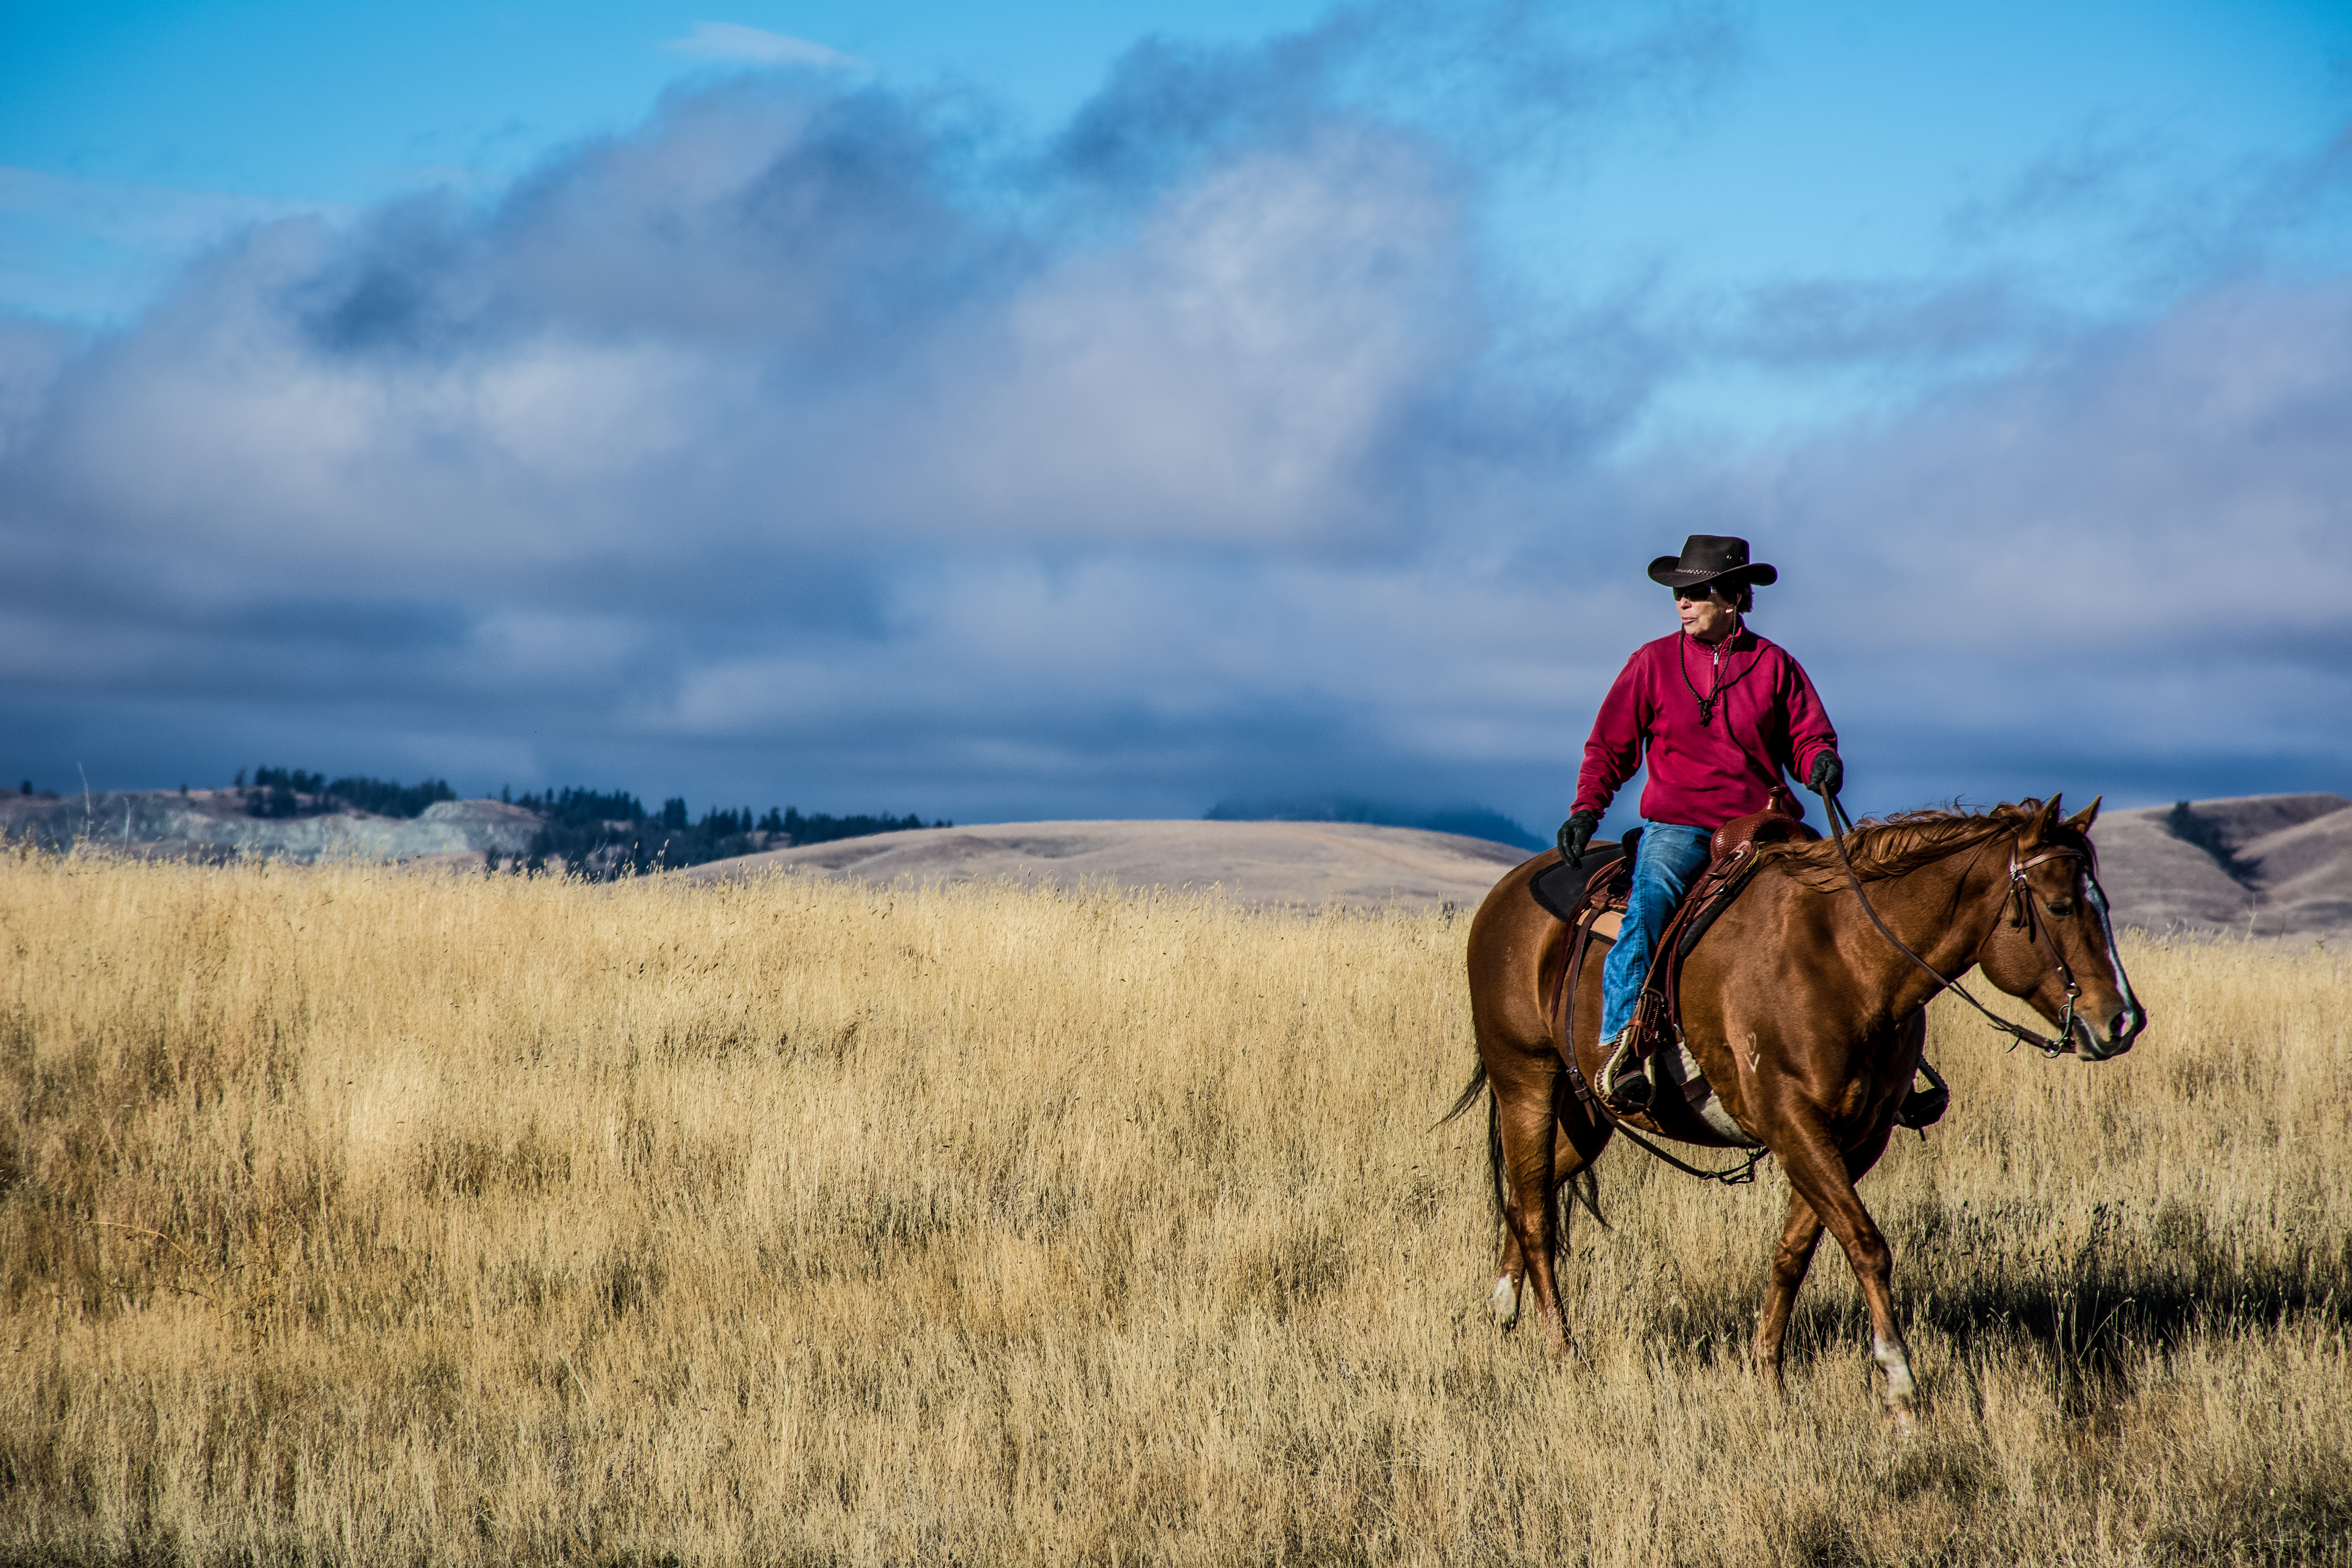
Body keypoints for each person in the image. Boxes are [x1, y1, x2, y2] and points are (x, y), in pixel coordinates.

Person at [1560, 535, 1841, 1109]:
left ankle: (1886, 1056)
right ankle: (1621, 1045)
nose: (1683, 602)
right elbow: (1611, 745)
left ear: (1735, 596)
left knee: (1839, 907)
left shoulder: (1775, 666)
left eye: (1696, 591)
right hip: (1680, 825)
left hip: (1765, 827)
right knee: (1651, 905)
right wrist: (1587, 808)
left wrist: (1821, 762)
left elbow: (1808, 736)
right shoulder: (1651, 663)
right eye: (1678, 593)